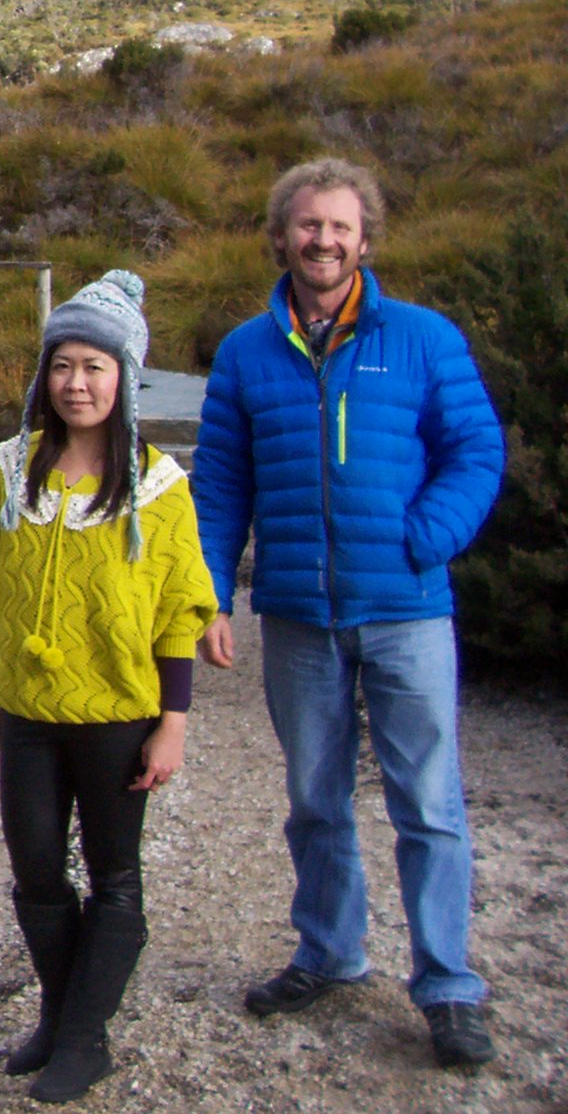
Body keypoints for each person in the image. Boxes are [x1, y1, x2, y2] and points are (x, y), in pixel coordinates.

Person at [194, 157, 506, 1070]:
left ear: (364, 239)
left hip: (407, 608)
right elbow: (219, 485)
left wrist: (424, 538)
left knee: (429, 804)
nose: (322, 241)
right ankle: (331, 953)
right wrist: (211, 593)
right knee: (314, 800)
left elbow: (476, 452)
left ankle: (449, 986)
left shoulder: (422, 338)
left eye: (339, 227)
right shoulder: (246, 352)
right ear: (282, 236)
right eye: (307, 225)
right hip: (296, 614)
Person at [0, 269, 218, 1104]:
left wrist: (171, 722)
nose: (76, 383)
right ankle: (60, 1014)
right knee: (37, 869)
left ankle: (83, 1038)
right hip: (28, 710)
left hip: (117, 712)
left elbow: (180, 609)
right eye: (63, 365)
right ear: (46, 374)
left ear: (124, 378)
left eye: (94, 368)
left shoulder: (158, 485)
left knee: (114, 874)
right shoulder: (14, 466)